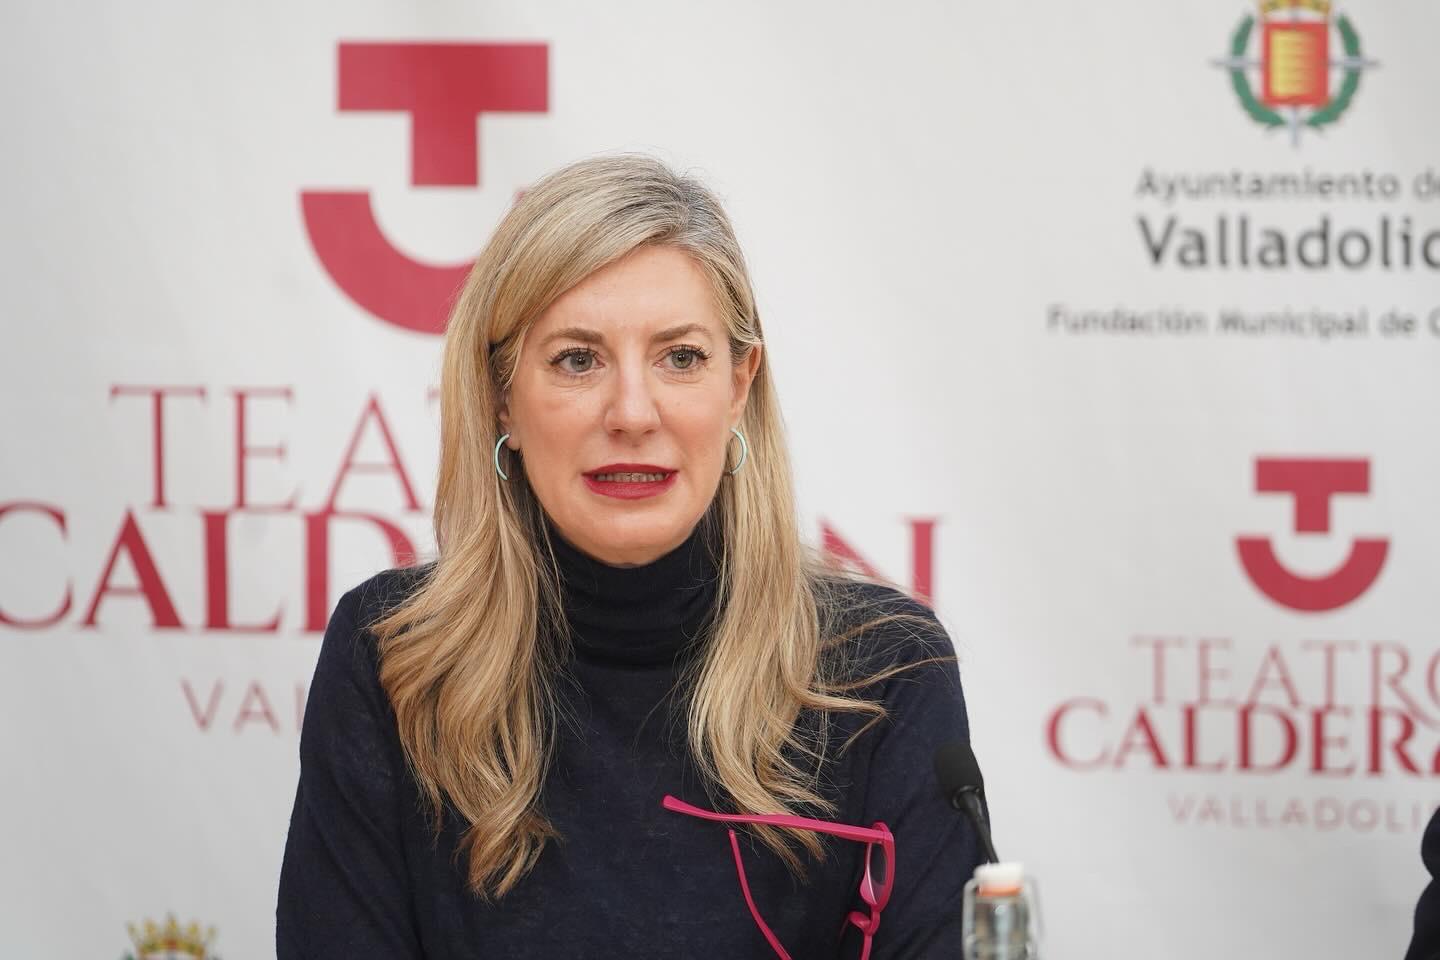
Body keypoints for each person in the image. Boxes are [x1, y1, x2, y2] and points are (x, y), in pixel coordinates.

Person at [275, 152, 982, 958]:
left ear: (738, 385)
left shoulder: (882, 669)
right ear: (501, 395)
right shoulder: (394, 658)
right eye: (578, 360)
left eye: (681, 357)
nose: (633, 413)